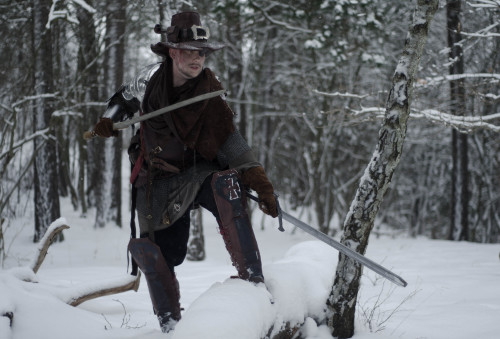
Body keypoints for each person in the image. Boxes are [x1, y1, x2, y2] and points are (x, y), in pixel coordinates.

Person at [89, 11, 278, 333]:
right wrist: (109, 119)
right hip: (156, 178)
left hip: (198, 171)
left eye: (202, 52)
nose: (198, 58)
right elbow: (122, 101)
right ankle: (170, 324)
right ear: (173, 52)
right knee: (162, 253)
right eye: (191, 51)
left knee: (225, 185)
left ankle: (253, 281)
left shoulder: (209, 89)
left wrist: (257, 178)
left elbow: (228, 137)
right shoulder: (149, 81)